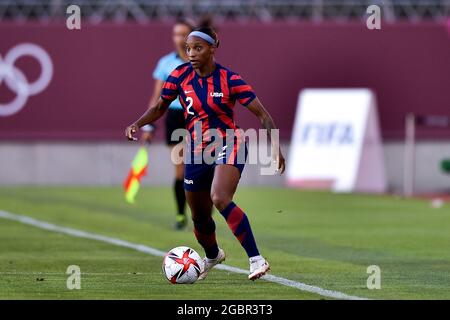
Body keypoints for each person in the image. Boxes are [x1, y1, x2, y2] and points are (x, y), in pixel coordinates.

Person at [125, 26, 286, 280]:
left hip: (229, 142)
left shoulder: (230, 80)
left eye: (198, 48)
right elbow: (159, 107)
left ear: (213, 48)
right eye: (188, 48)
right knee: (199, 216)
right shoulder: (179, 76)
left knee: (220, 198)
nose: (191, 53)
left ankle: (256, 259)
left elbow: (263, 115)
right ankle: (212, 255)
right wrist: (138, 122)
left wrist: (275, 148)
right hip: (196, 151)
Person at [141, 18, 195, 230]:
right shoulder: (165, 63)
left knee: (203, 166)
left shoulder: (199, 60)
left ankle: (203, 212)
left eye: (183, 34)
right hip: (175, 117)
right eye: (176, 34)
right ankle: (181, 214)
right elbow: (157, 97)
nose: (179, 38)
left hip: (198, 117)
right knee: (180, 170)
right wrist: (148, 126)